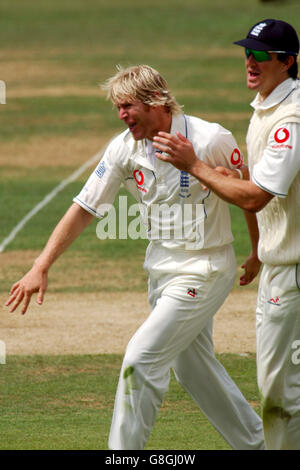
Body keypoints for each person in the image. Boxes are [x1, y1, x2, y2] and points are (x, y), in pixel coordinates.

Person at [5, 65, 264, 450]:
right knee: (193, 370)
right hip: (160, 271)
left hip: (205, 269)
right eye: (118, 108)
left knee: (139, 362)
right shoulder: (124, 147)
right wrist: (40, 265)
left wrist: (256, 250)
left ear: (156, 101)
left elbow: (249, 194)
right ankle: (260, 444)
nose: (122, 115)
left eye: (128, 106)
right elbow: (84, 207)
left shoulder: (211, 138)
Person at [153, 19, 300, 450]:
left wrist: (194, 166)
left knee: (279, 395)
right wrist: (255, 247)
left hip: (292, 273)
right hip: (278, 266)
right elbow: (264, 186)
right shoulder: (268, 108)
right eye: (246, 53)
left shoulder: (289, 117)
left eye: (260, 56)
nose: (249, 63)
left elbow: (255, 198)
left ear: (288, 62)